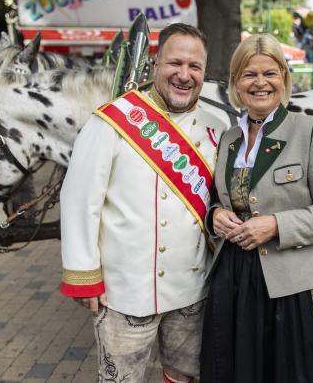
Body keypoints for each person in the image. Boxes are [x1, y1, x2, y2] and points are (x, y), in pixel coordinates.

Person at [59, 23, 228, 383]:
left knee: (184, 376)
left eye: (195, 67)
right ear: (155, 64)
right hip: (124, 292)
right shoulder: (111, 122)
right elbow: (79, 199)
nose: (185, 75)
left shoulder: (218, 126)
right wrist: (84, 274)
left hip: (192, 289)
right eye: (175, 63)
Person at [200, 34, 313, 383]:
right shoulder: (229, 139)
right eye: (248, 74)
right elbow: (222, 198)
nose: (260, 83)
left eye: (270, 73)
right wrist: (215, 216)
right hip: (234, 279)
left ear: (284, 78)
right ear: (236, 83)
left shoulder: (311, 130)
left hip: (292, 286)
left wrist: (276, 225)